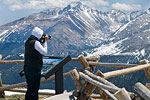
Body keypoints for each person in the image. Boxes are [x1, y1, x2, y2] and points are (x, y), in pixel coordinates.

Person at [24, 27, 50, 100]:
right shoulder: (36, 43)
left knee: (30, 88)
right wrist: (45, 42)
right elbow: (44, 52)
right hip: (35, 69)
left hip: (27, 68)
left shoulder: (28, 42)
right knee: (35, 90)